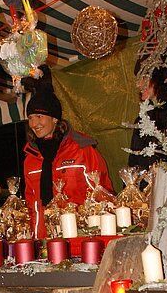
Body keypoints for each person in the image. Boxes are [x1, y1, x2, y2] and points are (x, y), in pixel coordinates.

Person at [23, 90, 113, 238]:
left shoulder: (82, 150)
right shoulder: (31, 159)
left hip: (82, 237)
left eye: (39, 116)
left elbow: (103, 195)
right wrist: (36, 239)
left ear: (54, 118)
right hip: (45, 240)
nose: (34, 124)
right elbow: (32, 206)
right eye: (30, 118)